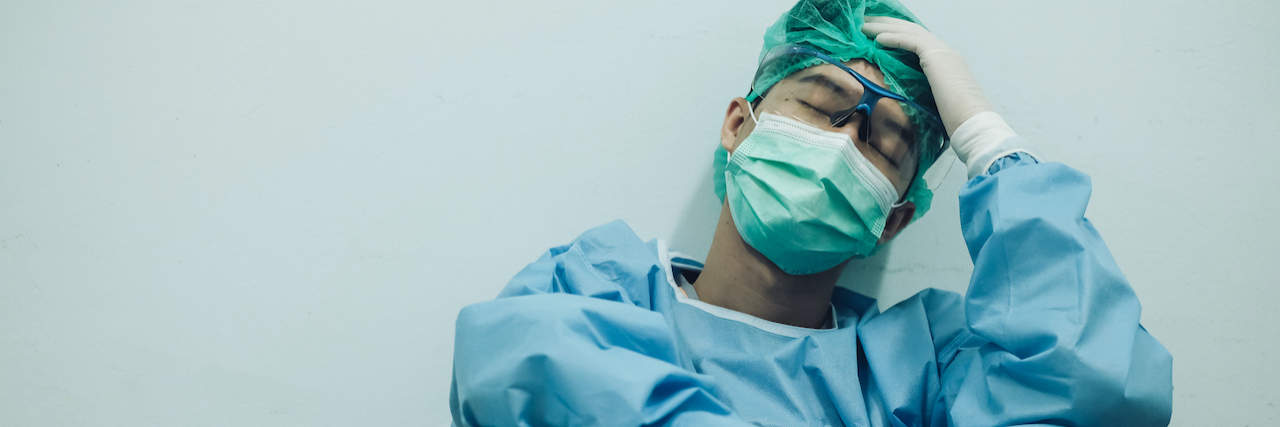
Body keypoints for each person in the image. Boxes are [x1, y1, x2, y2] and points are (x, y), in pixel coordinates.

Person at [449, 0, 1173, 425]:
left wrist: (988, 141)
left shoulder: (914, 369)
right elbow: (511, 371)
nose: (844, 143)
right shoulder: (594, 289)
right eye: (823, 106)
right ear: (739, 125)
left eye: (884, 142)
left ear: (891, 220)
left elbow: (1096, 388)